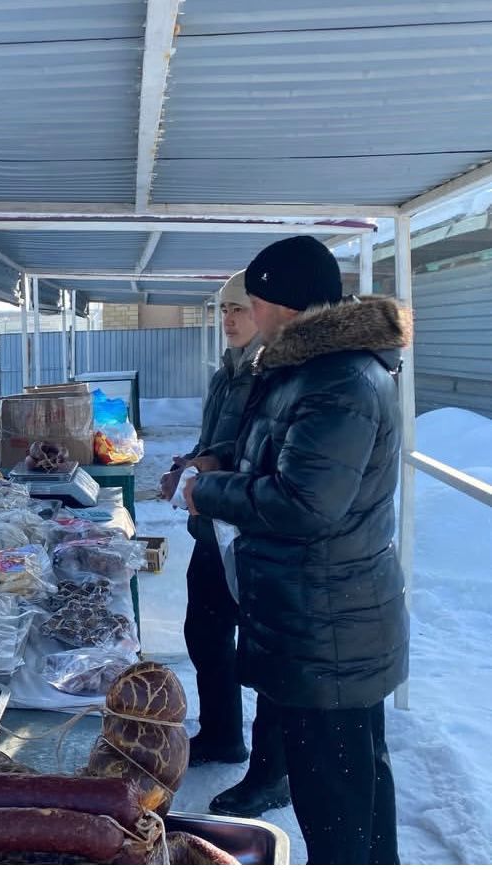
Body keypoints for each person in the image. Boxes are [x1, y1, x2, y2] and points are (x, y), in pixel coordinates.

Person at [184, 235, 409, 864]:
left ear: (281, 305)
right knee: (353, 786)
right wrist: (221, 461)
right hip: (316, 615)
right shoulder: (308, 371)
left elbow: (305, 503)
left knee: (336, 797)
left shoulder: (340, 380)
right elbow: (280, 457)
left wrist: (209, 491)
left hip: (329, 622)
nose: (246, 316)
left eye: (251, 303)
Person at [160, 271, 290, 815]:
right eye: (224, 310)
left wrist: (209, 473)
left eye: (240, 308)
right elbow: (217, 443)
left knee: (265, 655)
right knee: (205, 631)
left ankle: (271, 773)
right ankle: (221, 732)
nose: (231, 319)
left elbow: (264, 459)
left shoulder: (276, 374)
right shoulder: (226, 375)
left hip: (256, 533)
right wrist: (190, 464)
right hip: (214, 526)